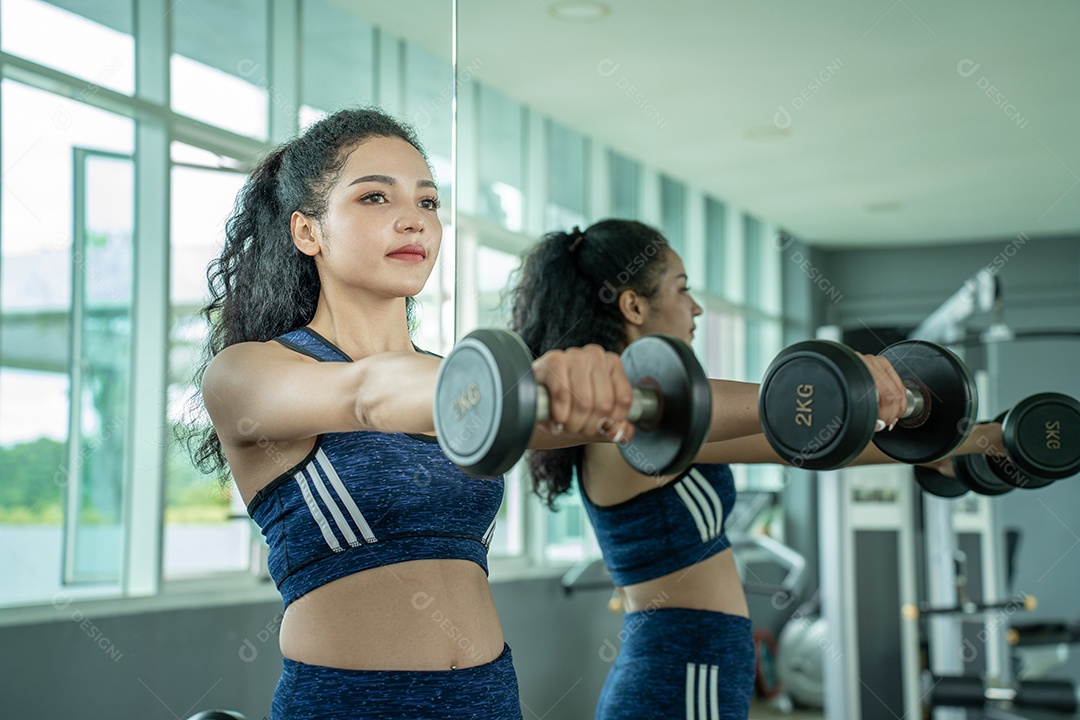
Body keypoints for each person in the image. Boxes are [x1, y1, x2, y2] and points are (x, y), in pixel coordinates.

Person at [183, 108, 640, 720]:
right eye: (374, 196)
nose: (413, 220)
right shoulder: (248, 373)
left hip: (490, 699)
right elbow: (366, 394)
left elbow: (648, 415)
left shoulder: (457, 381)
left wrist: (788, 409)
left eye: (428, 203)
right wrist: (528, 379)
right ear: (307, 232)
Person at [509, 218, 1005, 719]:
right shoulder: (631, 427)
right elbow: (787, 425)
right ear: (633, 305)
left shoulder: (660, 422)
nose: (696, 307)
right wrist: (971, 436)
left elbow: (804, 443)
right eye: (682, 290)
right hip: (681, 670)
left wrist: (961, 443)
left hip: (693, 665)